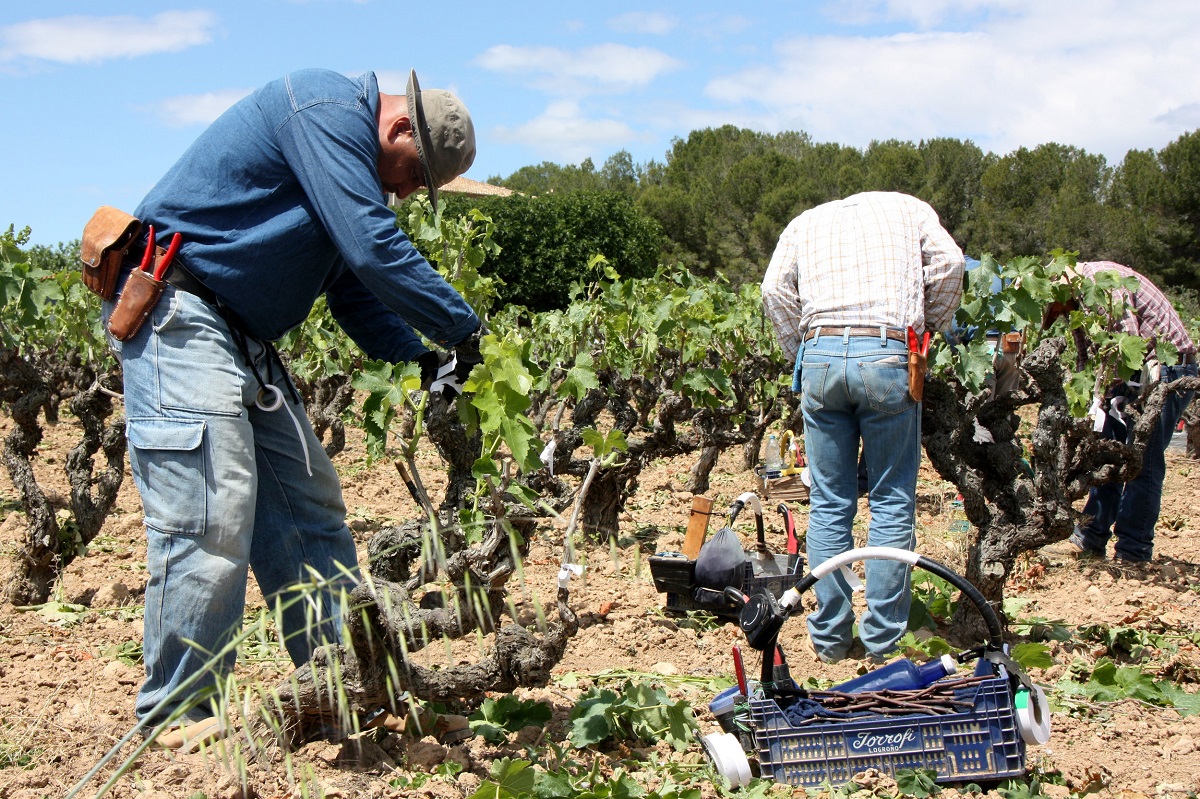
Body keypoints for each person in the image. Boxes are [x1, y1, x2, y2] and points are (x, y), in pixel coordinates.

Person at [96, 68, 482, 747]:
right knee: (211, 514)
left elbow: (354, 291)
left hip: (240, 335)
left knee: (311, 513)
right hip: (181, 312)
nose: (401, 193)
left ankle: (347, 694)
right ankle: (175, 720)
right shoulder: (324, 107)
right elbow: (371, 245)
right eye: (410, 178)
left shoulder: (345, 168)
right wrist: (462, 329)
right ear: (397, 130)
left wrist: (423, 356)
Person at [761, 191, 964, 663]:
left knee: (830, 500)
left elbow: (773, 290)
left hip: (820, 356)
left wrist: (800, 350)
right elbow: (951, 263)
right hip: (888, 352)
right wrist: (926, 326)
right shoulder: (909, 209)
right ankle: (883, 642)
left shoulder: (805, 220)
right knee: (891, 499)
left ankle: (830, 639)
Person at [1046, 261, 1197, 563]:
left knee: (1143, 461)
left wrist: (1102, 394)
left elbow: (1125, 341)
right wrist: (1086, 399)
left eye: (1057, 307)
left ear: (1064, 286)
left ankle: (1133, 551)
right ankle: (1090, 538)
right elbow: (1085, 357)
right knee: (1105, 456)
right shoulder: (1079, 304)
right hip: (1130, 372)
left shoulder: (1102, 282)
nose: (1060, 313)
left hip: (1163, 370)